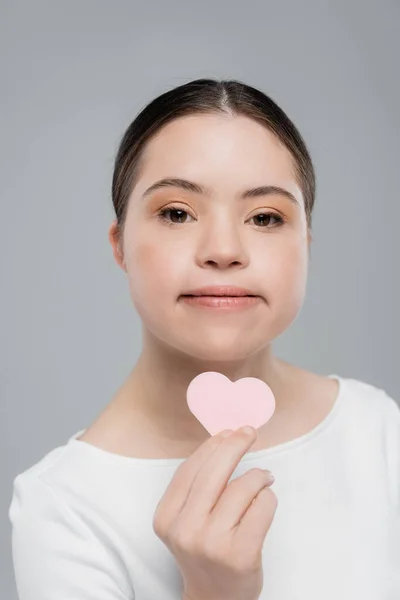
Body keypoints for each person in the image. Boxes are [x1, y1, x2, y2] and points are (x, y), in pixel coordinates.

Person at [8, 78, 400, 600]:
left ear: (305, 244)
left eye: (265, 217)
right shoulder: (60, 508)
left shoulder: (377, 432)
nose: (223, 250)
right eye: (177, 213)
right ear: (120, 244)